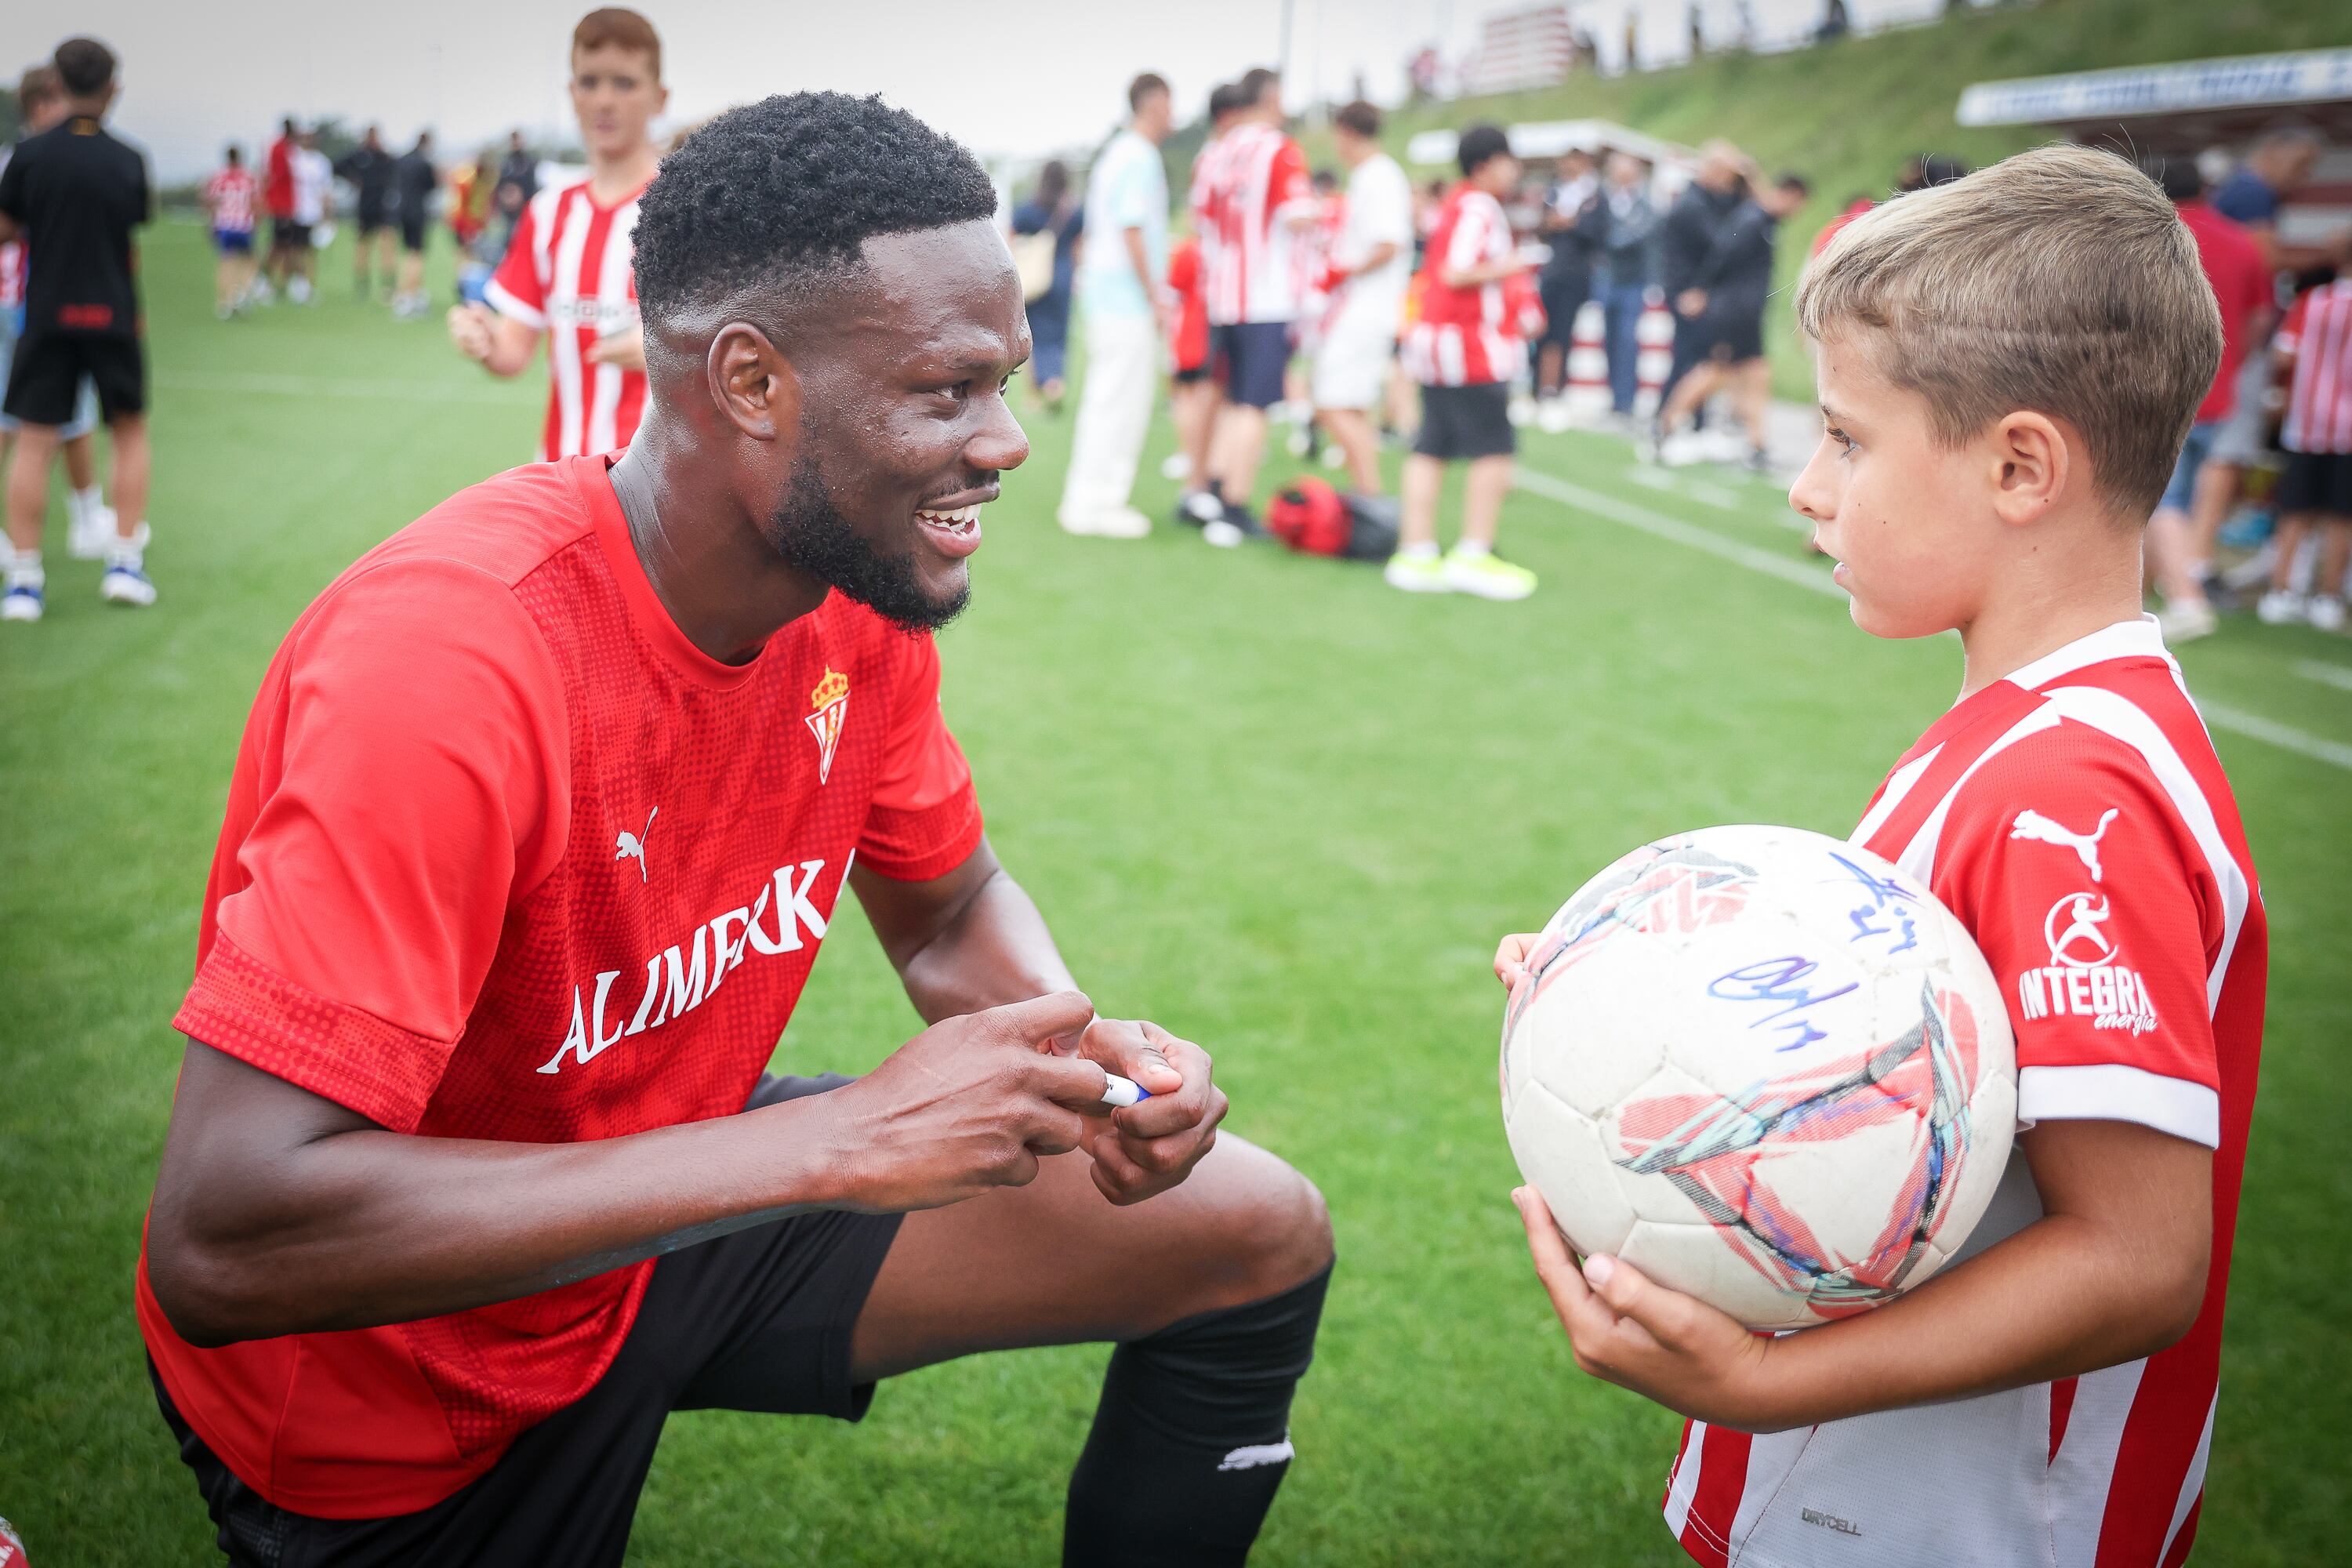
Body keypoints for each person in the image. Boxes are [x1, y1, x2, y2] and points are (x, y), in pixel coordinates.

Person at [136, 89, 1332, 1566]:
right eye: (945, 392)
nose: (1005, 442)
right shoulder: (453, 663)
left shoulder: (847, 595)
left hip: (662, 1202)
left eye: (1006, 383)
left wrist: (1089, 1070)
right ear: (753, 382)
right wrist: (832, 1143)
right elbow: (227, 1236)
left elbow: (951, 909)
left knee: (1251, 1227)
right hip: (394, 1368)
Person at [1503, 145, 2264, 1568]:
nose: (1808, 488)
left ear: (2021, 465)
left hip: (1960, 1526)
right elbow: (1919, 1053)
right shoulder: (2013, 732)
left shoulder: (2073, 791)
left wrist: (1765, 1382)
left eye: (1847, 440)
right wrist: (1639, 1007)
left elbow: (2139, 1258)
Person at [452, 6, 665, 461]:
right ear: (572, 93)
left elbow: (737, 347)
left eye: (624, 83)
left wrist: (663, 349)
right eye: (590, 82)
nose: (605, 100)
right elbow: (513, 354)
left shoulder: (684, 207)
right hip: (561, 479)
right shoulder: (549, 211)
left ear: (659, 97)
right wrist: (484, 340)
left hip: (660, 492)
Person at [0, 36, 157, 621]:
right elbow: (129, 241)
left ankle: (23, 582)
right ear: (112, 87)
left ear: (58, 85)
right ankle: (123, 563)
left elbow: (7, 228)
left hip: (46, 316)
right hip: (113, 315)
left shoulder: (32, 156)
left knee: (34, 442)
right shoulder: (128, 158)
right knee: (129, 433)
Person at [1388, 123, 1537, 601]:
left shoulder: (1454, 203)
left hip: (1435, 341)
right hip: (1466, 344)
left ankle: (1417, 550)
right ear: (1487, 163)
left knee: (1430, 445)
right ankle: (1473, 553)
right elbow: (1456, 271)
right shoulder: (1478, 205)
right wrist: (1512, 266)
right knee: (1493, 448)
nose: (1513, 170)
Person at [2141, 155, 2269, 643]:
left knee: (2160, 498)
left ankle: (2186, 598)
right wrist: (2230, 364)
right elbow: (2259, 321)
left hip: (2161, 388)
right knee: (2183, 496)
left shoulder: (2151, 238)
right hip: (2218, 392)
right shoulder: (2243, 242)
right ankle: (2152, 591)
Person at [1190, 67, 1315, 547]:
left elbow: (1202, 220)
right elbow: (1299, 216)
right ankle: (1234, 507)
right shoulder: (1278, 149)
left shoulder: (1215, 154)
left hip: (1223, 296)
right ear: (1270, 98)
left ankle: (1213, 489)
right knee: (1254, 404)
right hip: (1265, 296)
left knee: (1231, 397)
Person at [1, 62, 116, 564]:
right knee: (52, 419)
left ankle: (86, 514)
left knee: (33, 418)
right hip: (35, 305)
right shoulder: (40, 160)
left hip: (21, 302)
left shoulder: (19, 157)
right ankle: (84, 519)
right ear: (45, 101)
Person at [1058, 73, 1172, 539]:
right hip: (1125, 299)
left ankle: (1096, 497)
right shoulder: (1137, 155)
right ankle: (1096, 501)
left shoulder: (1117, 154)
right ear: (1155, 103)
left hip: (1110, 296)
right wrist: (1155, 293)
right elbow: (1132, 228)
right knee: (1118, 401)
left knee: (1112, 398)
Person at [1650, 168, 1810, 472]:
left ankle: (1757, 445)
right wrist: (1701, 290)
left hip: (1748, 314)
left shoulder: (1767, 222)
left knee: (1758, 375)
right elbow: (1722, 255)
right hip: (1731, 313)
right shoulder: (1752, 220)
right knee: (1712, 372)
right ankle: (1665, 426)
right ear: (1791, 196)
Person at [1312, 100, 1414, 499]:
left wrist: (1343, 271)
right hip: (1364, 308)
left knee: (1329, 403)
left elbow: (1388, 243)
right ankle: (1365, 494)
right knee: (1351, 406)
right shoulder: (1371, 176)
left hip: (1367, 310)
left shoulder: (1378, 177)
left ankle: (1372, 496)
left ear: (1348, 133)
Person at [2257, 230, 2352, 632]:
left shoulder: (2312, 302)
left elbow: (2283, 355)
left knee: (2295, 511)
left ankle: (2282, 592)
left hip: (2308, 425)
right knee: (2341, 517)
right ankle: (2328, 598)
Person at [1176, 81, 1247, 523]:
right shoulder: (1215, 160)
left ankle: (1209, 480)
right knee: (1206, 392)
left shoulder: (1231, 158)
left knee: (1220, 395)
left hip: (1230, 298)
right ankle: (1199, 483)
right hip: (1217, 302)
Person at [1009, 160, 1083, 412]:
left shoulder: (1027, 210)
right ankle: (1054, 382)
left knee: (1033, 335)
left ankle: (1034, 394)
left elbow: (1010, 240)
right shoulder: (1073, 212)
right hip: (1062, 277)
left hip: (1034, 279)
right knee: (1059, 336)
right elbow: (1078, 248)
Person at [1532, 147, 1599, 422]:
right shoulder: (1555, 191)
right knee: (1543, 331)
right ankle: (1539, 387)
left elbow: (1595, 232)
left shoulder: (1593, 195)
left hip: (1575, 273)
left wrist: (1569, 223)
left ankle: (1555, 388)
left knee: (1562, 332)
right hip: (1552, 271)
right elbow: (1542, 226)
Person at [1590, 151, 1659, 418]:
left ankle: (1627, 399)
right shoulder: (1603, 200)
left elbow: (1631, 237)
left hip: (1633, 282)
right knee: (1608, 339)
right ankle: (1614, 398)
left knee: (1628, 340)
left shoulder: (1646, 205)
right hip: (1607, 281)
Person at [2210, 124, 2322, 273]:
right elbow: (2268, 260)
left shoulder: (2238, 181)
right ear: (2271, 154)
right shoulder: (2254, 191)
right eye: (2301, 165)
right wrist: (2330, 256)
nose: (2305, 175)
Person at [1163, 229, 1217, 491]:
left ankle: (1190, 454)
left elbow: (1174, 290)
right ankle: (1205, 458)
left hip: (1192, 335)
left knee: (1187, 397)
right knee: (1209, 398)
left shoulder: (1191, 250)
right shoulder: (1223, 248)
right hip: (1217, 334)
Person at [337, 125, 397, 300]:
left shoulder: (384, 157)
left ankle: (388, 283)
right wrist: (352, 179)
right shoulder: (358, 156)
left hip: (383, 208)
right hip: (365, 207)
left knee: (387, 245)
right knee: (363, 246)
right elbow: (338, 166)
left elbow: (396, 174)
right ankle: (362, 282)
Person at [201, 144, 260, 319]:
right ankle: (243, 291)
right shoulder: (249, 177)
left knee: (226, 263)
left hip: (224, 225)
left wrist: (211, 224)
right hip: (244, 225)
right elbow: (257, 203)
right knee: (249, 261)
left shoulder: (218, 177)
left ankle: (224, 302)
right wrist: (256, 222)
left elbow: (209, 202)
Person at [285, 127, 332, 305]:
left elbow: (325, 190)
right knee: (292, 250)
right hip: (293, 211)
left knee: (310, 251)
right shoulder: (292, 158)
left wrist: (327, 214)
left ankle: (308, 286)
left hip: (313, 214)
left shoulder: (321, 162)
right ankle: (297, 282)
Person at [260, 118, 297, 303]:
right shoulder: (280, 149)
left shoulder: (286, 148)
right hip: (280, 206)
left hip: (287, 206)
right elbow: (274, 176)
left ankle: (285, 284)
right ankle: (263, 281)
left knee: (287, 246)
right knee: (277, 246)